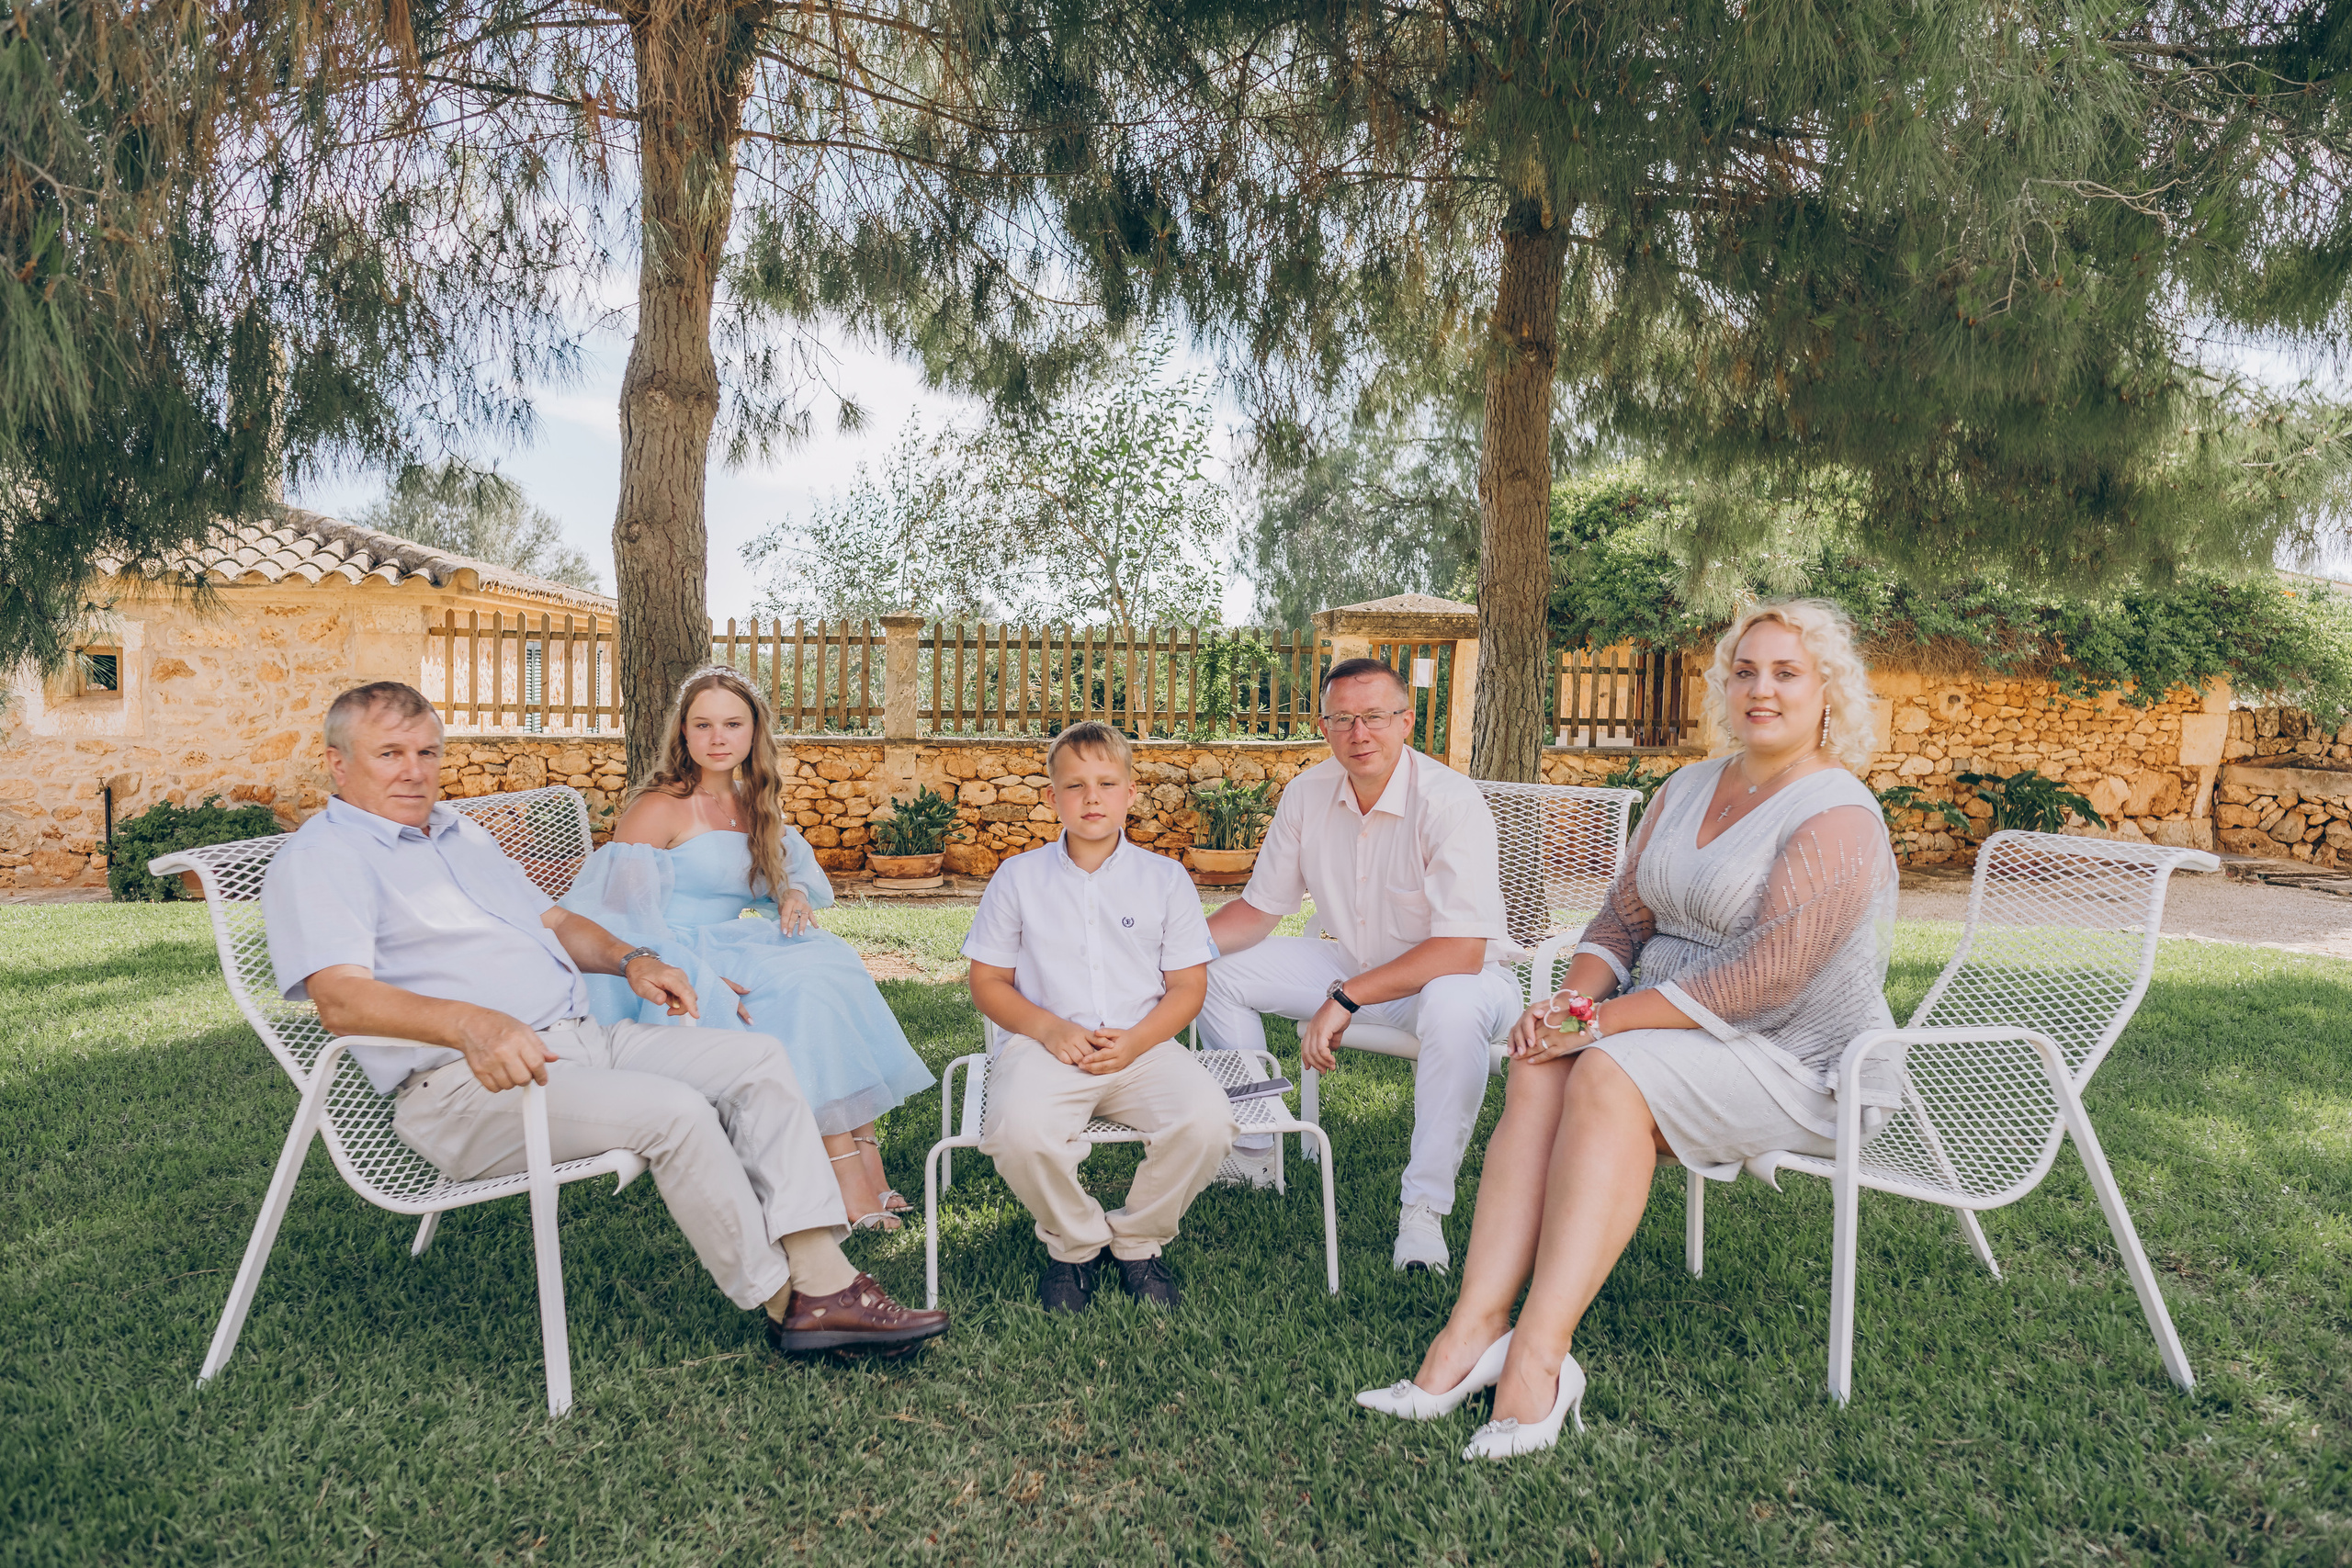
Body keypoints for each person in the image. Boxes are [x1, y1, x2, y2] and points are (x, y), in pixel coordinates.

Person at [1357, 599, 1897, 1460]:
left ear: (1828, 689)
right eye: (1745, 671)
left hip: (1798, 1059)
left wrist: (1601, 1024)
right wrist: (1568, 1009)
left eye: (1786, 673)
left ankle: (1540, 1361)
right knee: (1540, 1059)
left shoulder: (1838, 814)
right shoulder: (1687, 788)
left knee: (1607, 1072)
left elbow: (1765, 979)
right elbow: (1620, 918)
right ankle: (1470, 1331)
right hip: (1672, 1033)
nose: (1760, 689)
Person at [261, 682, 947, 1359]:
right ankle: (790, 1300)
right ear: (337, 763)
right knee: (677, 1111)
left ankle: (825, 1280)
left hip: (580, 1042)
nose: (414, 771)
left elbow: (557, 921)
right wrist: (473, 1024)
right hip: (469, 1082)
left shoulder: (457, 834)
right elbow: (340, 999)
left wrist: (633, 960)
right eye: (390, 753)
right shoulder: (326, 857)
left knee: (760, 1060)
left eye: (427, 752)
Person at [559, 667, 935, 1230]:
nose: (718, 738)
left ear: (754, 731)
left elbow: (788, 866)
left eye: (732, 724)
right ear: (683, 733)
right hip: (672, 952)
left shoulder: (751, 801)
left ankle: (868, 1169)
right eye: (702, 725)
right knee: (802, 992)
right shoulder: (660, 806)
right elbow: (619, 914)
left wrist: (794, 893)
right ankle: (846, 1182)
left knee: (830, 965)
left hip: (730, 939)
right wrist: (690, 970)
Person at [1199, 657, 1521, 1272]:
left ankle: (1423, 1211)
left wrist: (1346, 997)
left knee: (1454, 1006)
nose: (1359, 732)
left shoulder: (1450, 801)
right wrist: (1169, 954)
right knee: (1214, 969)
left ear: (1406, 721)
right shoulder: (1307, 793)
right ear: (1323, 726)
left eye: (1374, 716)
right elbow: (1258, 912)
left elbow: (1462, 951)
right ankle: (1256, 1148)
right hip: (1353, 966)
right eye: (1343, 718)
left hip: (1466, 982)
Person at [962, 720, 1237, 1313]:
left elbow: (1189, 987)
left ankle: (1138, 1240)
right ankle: (1077, 1243)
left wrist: (1136, 1042)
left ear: (1130, 793)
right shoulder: (1018, 878)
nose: (1092, 798)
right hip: (1046, 1047)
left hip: (1144, 1046)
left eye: (1107, 783)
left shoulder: (1165, 879)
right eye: (1075, 785)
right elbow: (987, 982)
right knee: (1016, 1132)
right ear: (1053, 796)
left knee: (1208, 1121)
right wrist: (1049, 1028)